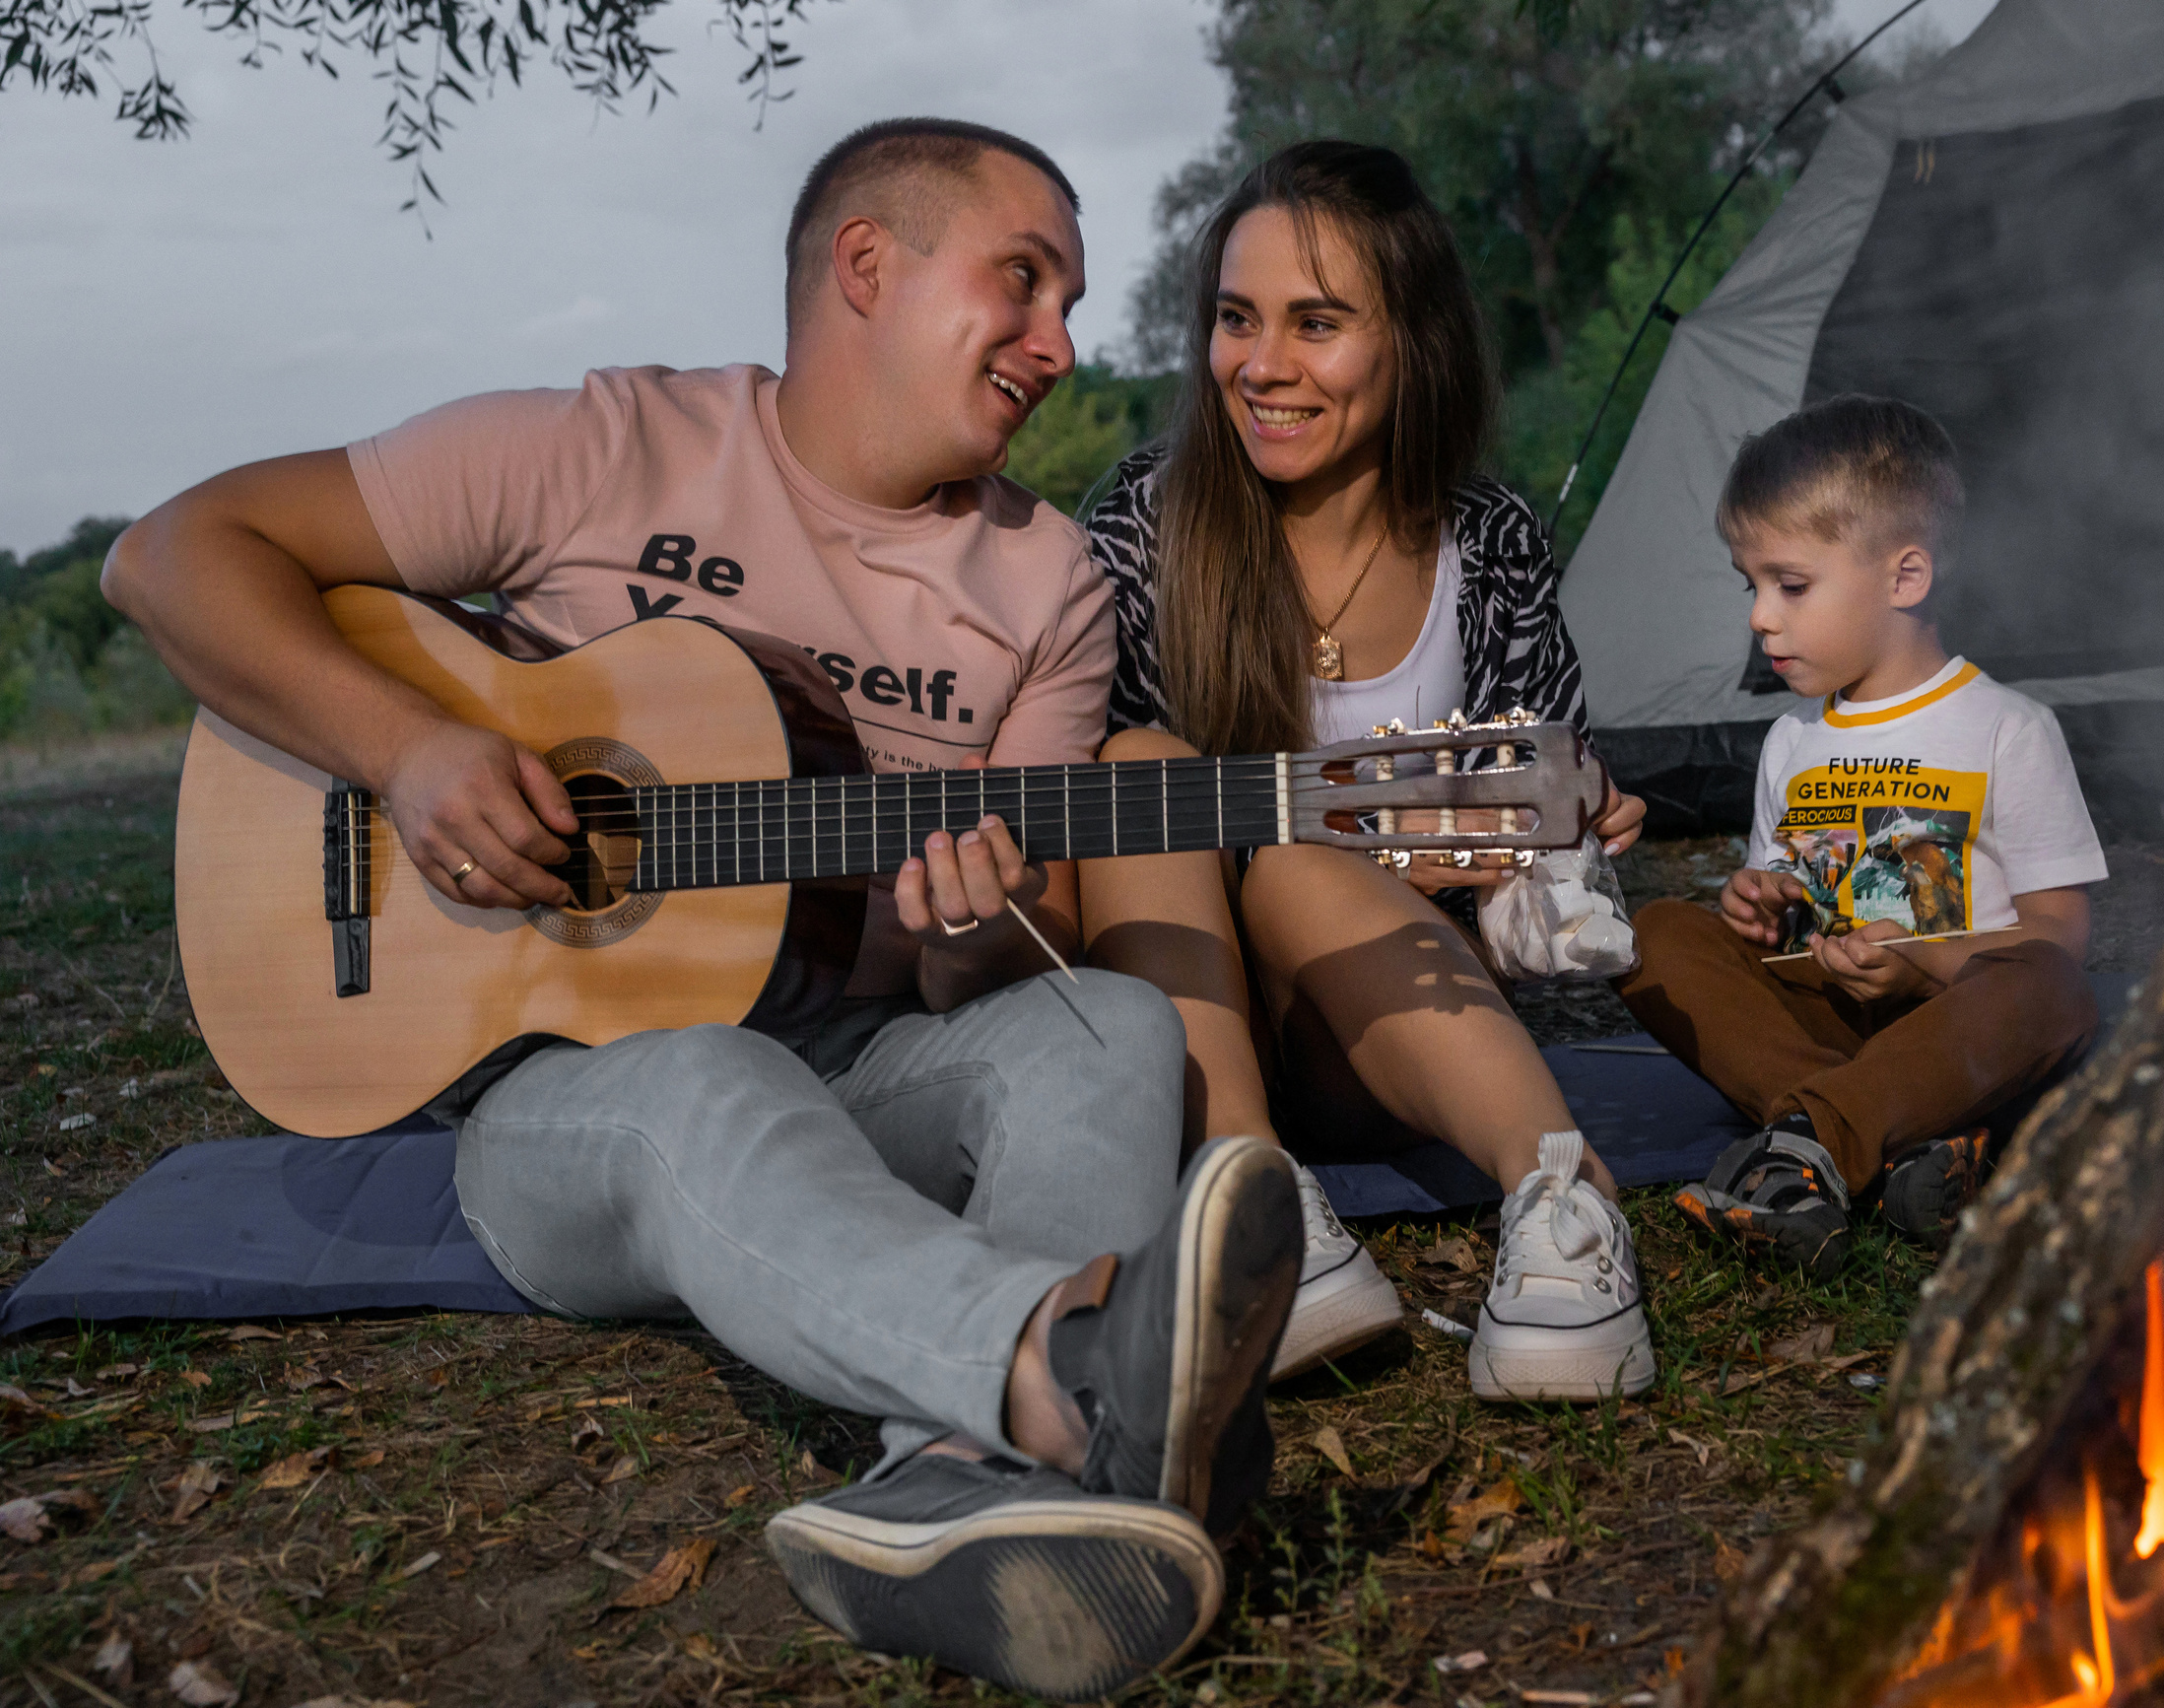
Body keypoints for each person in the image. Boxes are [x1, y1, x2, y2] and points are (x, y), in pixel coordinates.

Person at [101, 118, 1299, 1702]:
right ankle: (1066, 1377)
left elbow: (1000, 963)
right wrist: (411, 753)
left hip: (866, 1057)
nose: (1061, 344)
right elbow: (173, 555)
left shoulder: (1049, 582)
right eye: (1022, 283)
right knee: (705, 1076)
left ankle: (970, 1487)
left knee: (1112, 1019)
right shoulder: (596, 448)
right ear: (867, 266)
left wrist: (959, 934)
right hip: (573, 1104)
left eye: (1068, 304)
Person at [1077, 141, 1653, 1403]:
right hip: (1183, 1029)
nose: (1263, 364)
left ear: (1413, 340)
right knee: (1133, 767)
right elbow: (1087, 853)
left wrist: (1565, 828)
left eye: (1317, 323)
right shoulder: (1141, 526)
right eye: (1237, 319)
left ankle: (1562, 1206)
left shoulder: (1490, 543)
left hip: (1403, 1033)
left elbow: (1545, 844)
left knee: (1298, 854)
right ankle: (1254, 1207)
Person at [1616, 394, 2107, 1279]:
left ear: (1905, 576)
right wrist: (1757, 906)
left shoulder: (2006, 728)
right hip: (1828, 1027)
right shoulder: (1792, 740)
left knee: (2053, 987)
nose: (1760, 617)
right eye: (1751, 585)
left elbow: (2059, 937)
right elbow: (1776, 924)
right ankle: (1875, 1148)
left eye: (1790, 585)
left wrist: (1923, 962)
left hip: (1954, 1034)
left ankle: (1808, 1144)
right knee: (1654, 934)